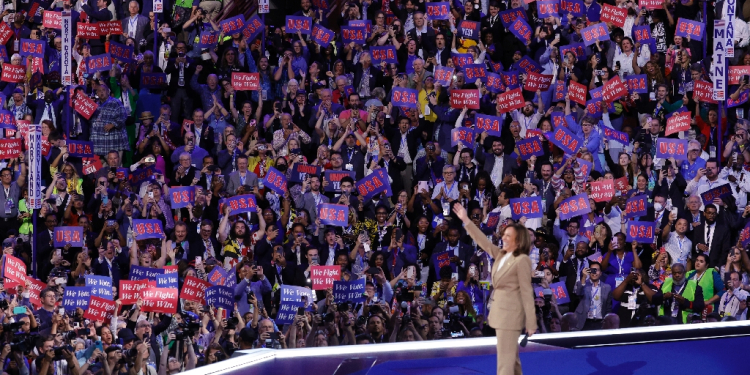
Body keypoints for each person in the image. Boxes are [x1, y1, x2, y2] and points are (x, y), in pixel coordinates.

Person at [454, 204, 536, 375]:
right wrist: (466, 220)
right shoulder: (499, 255)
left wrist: (531, 321)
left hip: (512, 314)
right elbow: (482, 241)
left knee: (505, 362)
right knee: (512, 359)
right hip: (499, 312)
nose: (504, 239)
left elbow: (527, 292)